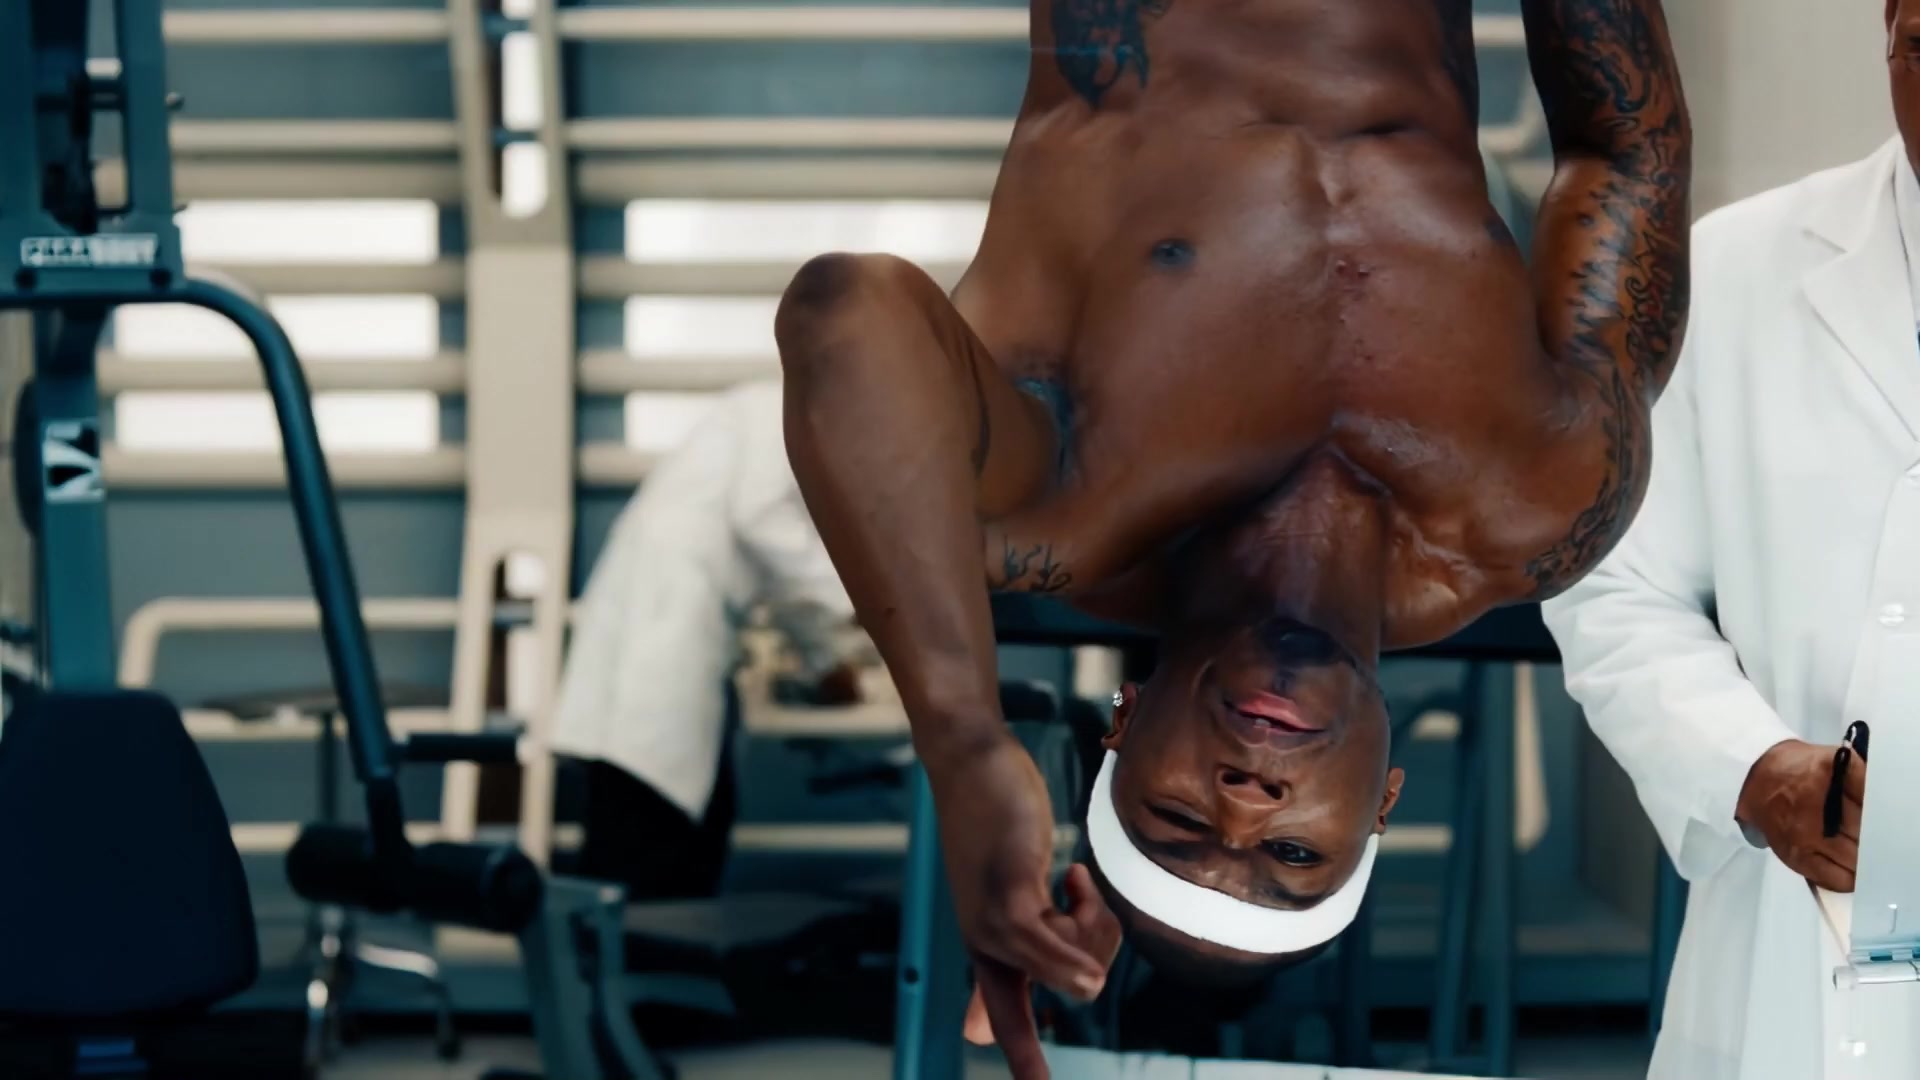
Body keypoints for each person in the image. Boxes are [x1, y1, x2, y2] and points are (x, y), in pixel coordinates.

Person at [776, 0, 1691, 1068]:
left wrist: (964, 743)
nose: (1248, 806)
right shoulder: (1546, 501)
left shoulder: (1060, 502)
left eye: (1179, 823)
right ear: (1384, 803)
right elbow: (1624, 152)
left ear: (1122, 725)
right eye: (1295, 854)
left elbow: (846, 312)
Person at [1541, 5, 1920, 1077]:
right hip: (1781, 976)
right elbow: (1612, 585)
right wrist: (1754, 768)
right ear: (1887, 22)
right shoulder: (1738, 267)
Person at [551, 380, 864, 900]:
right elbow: (760, 520)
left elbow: (787, 571)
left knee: (682, 824)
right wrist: (857, 603)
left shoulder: (806, 435)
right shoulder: (781, 409)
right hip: (664, 626)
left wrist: (825, 657)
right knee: (647, 830)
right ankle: (640, 945)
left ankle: (649, 938)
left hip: (675, 628)